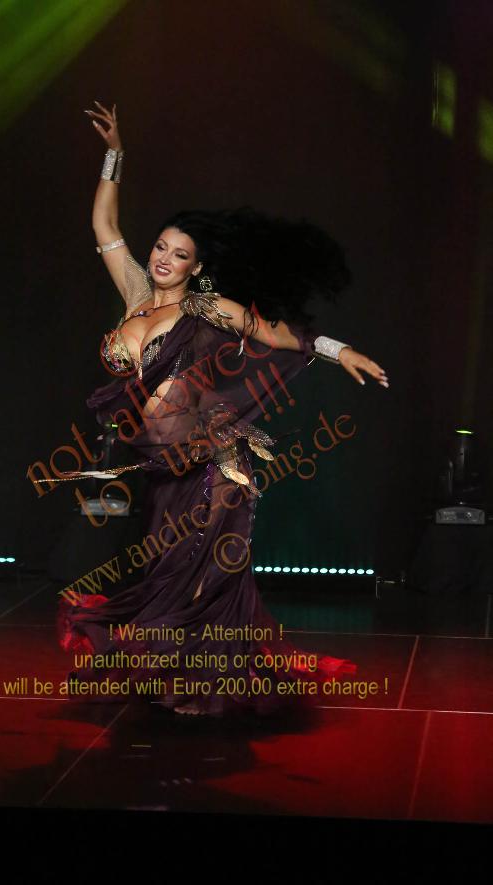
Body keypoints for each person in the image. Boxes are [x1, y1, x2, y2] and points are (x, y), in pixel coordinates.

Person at [56, 101, 389, 717]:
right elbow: (103, 224)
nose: (164, 258)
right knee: (170, 569)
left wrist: (339, 349)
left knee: (202, 568)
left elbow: (277, 334)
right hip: (163, 466)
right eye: (160, 246)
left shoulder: (206, 308)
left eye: (179, 254)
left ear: (198, 266)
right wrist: (115, 154)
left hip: (212, 463)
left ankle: (204, 687)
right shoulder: (134, 292)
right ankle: (180, 678)